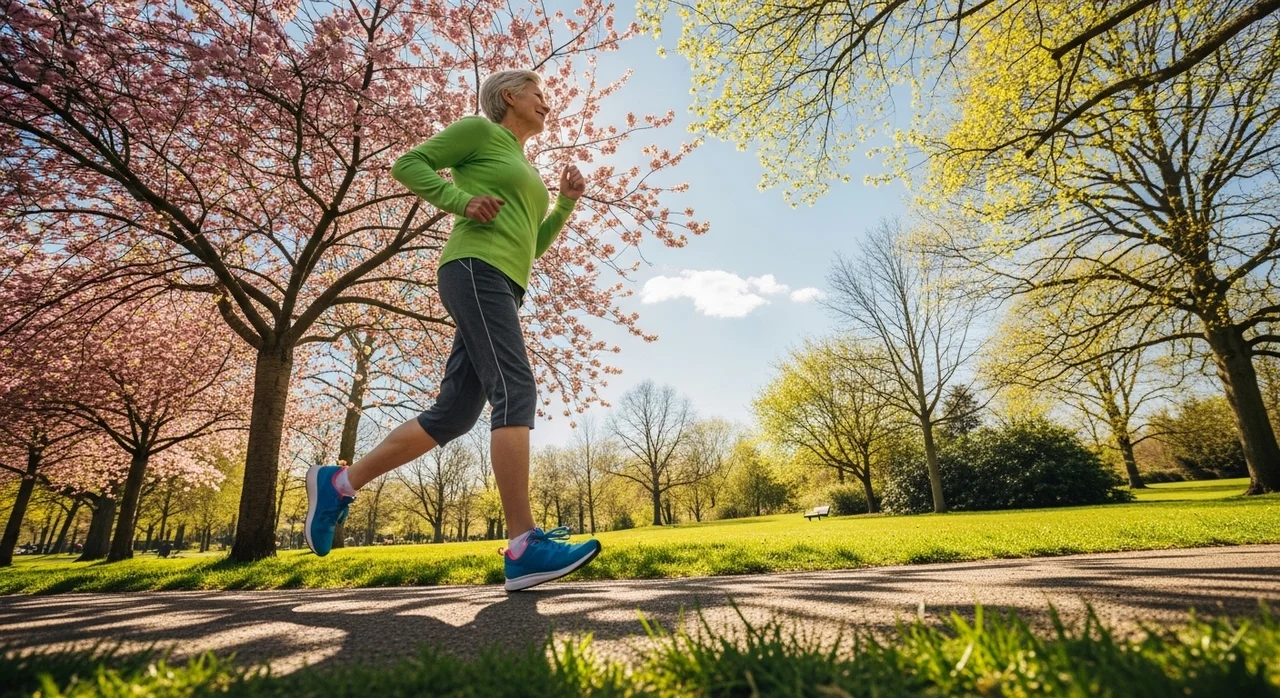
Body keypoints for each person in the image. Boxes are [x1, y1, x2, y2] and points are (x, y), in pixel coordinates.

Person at [303, 69, 601, 592]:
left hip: (504, 281)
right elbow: (408, 164)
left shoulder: (521, 165)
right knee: (515, 387)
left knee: (456, 413)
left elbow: (531, 243)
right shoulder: (481, 132)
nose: (546, 103)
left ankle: (339, 484)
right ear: (509, 96)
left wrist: (566, 203)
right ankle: (523, 544)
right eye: (538, 94)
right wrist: (460, 202)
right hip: (473, 268)